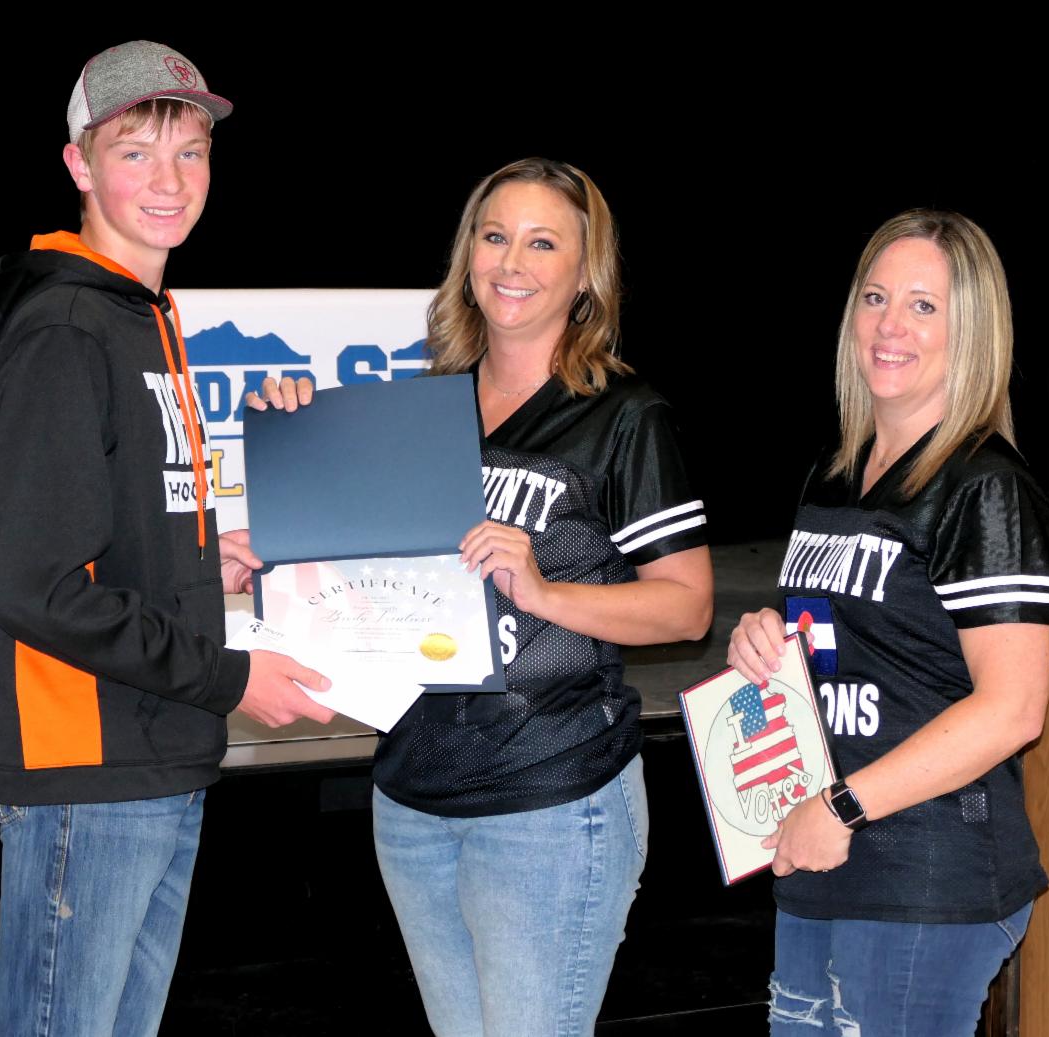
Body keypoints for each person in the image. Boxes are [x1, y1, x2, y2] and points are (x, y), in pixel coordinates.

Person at [251, 158, 714, 1035]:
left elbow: (686, 607)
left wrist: (543, 588)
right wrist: (298, 438)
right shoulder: (424, 407)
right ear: (468, 256)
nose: (513, 261)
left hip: (550, 799)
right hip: (413, 799)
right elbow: (359, 580)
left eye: (544, 242)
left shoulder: (622, 415)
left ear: (586, 273)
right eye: (494, 236)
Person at [0, 40, 332, 1036]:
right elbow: (38, 586)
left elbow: (102, 540)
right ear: (79, 164)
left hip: (153, 758)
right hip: (89, 774)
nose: (169, 181)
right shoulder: (67, 329)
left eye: (190, 152)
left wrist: (195, 558)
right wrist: (231, 676)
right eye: (135, 152)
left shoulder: (141, 317)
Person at [726, 210, 1049, 1036]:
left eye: (924, 306)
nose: (889, 325)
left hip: (922, 878)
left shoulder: (985, 488)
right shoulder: (837, 471)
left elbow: (1013, 707)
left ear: (973, 332)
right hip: (819, 855)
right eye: (876, 298)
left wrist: (843, 806)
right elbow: (847, 639)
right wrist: (763, 638)